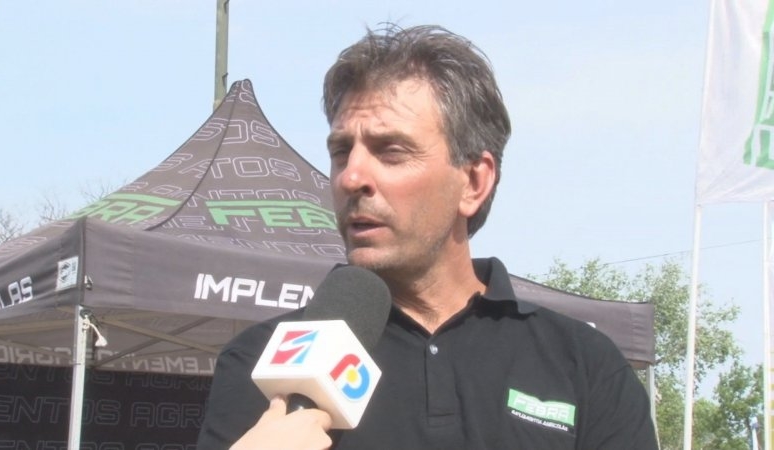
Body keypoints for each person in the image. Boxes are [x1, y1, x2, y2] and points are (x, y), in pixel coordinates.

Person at [197, 23, 659, 450]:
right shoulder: (259, 363)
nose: (351, 177)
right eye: (341, 152)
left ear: (473, 182)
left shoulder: (584, 365)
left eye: (391, 151)